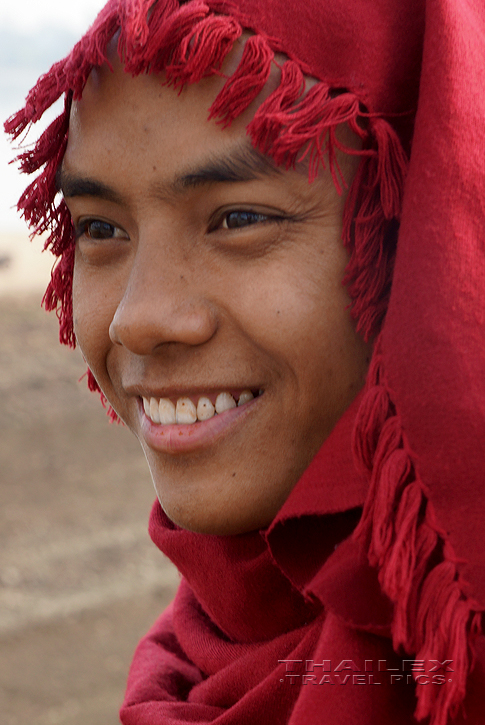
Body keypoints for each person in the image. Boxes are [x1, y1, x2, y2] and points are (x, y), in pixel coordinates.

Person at [5, 0, 485, 723]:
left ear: (432, 233)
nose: (138, 319)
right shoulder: (201, 643)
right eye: (101, 228)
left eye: (238, 218)